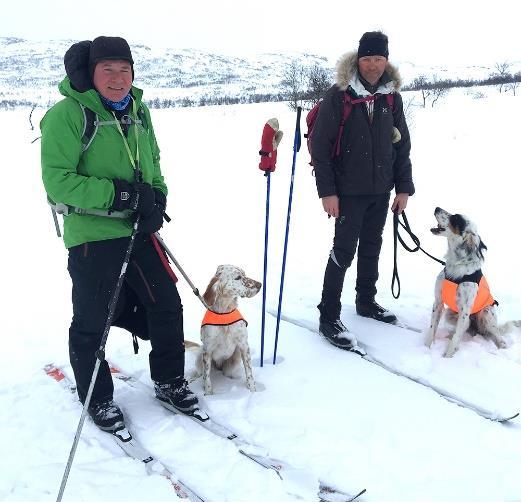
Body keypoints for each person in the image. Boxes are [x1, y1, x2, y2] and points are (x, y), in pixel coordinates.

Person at [40, 36, 198, 431]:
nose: (117, 78)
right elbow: (58, 182)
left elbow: (154, 163)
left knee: (166, 305)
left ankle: (168, 380)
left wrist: (157, 198)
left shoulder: (138, 111)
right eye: (107, 69)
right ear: (91, 74)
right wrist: (123, 195)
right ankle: (97, 397)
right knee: (93, 320)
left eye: (124, 69)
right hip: (92, 235)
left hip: (138, 232)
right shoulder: (68, 114)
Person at [311, 31, 414, 350]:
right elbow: (320, 146)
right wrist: (327, 192)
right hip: (347, 192)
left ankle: (366, 301)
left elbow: (402, 145)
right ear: (358, 59)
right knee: (343, 250)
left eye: (379, 59)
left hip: (381, 189)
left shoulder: (391, 97)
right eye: (367, 58)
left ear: (386, 60)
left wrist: (403, 187)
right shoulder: (339, 95)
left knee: (372, 245)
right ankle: (328, 315)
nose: (372, 65)